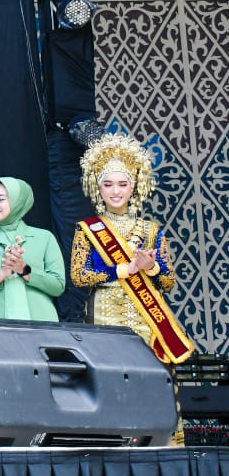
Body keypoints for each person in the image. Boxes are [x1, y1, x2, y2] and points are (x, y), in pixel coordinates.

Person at [70, 133, 195, 363]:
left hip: (145, 316)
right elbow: (79, 277)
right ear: (98, 188)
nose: (115, 191)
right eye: (108, 184)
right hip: (104, 313)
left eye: (122, 184)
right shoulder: (87, 229)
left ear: (134, 186)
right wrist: (123, 270)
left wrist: (151, 267)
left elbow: (169, 282)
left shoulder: (151, 230)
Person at [0, 177, 65, 321]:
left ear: (18, 202)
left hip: (40, 326)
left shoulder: (44, 238)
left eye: (1, 199)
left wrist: (24, 270)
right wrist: (1, 274)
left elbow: (58, 286)